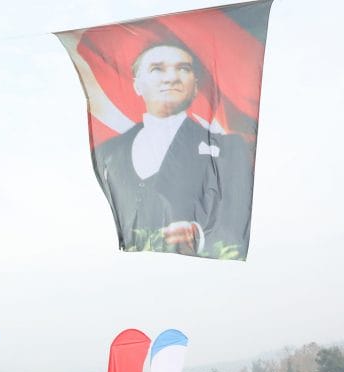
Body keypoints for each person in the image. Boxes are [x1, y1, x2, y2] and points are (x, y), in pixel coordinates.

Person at [91, 43, 252, 257]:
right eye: (157, 69)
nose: (171, 78)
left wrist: (200, 237)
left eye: (184, 69)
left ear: (195, 86)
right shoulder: (108, 152)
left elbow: (237, 216)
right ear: (137, 85)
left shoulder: (227, 149)